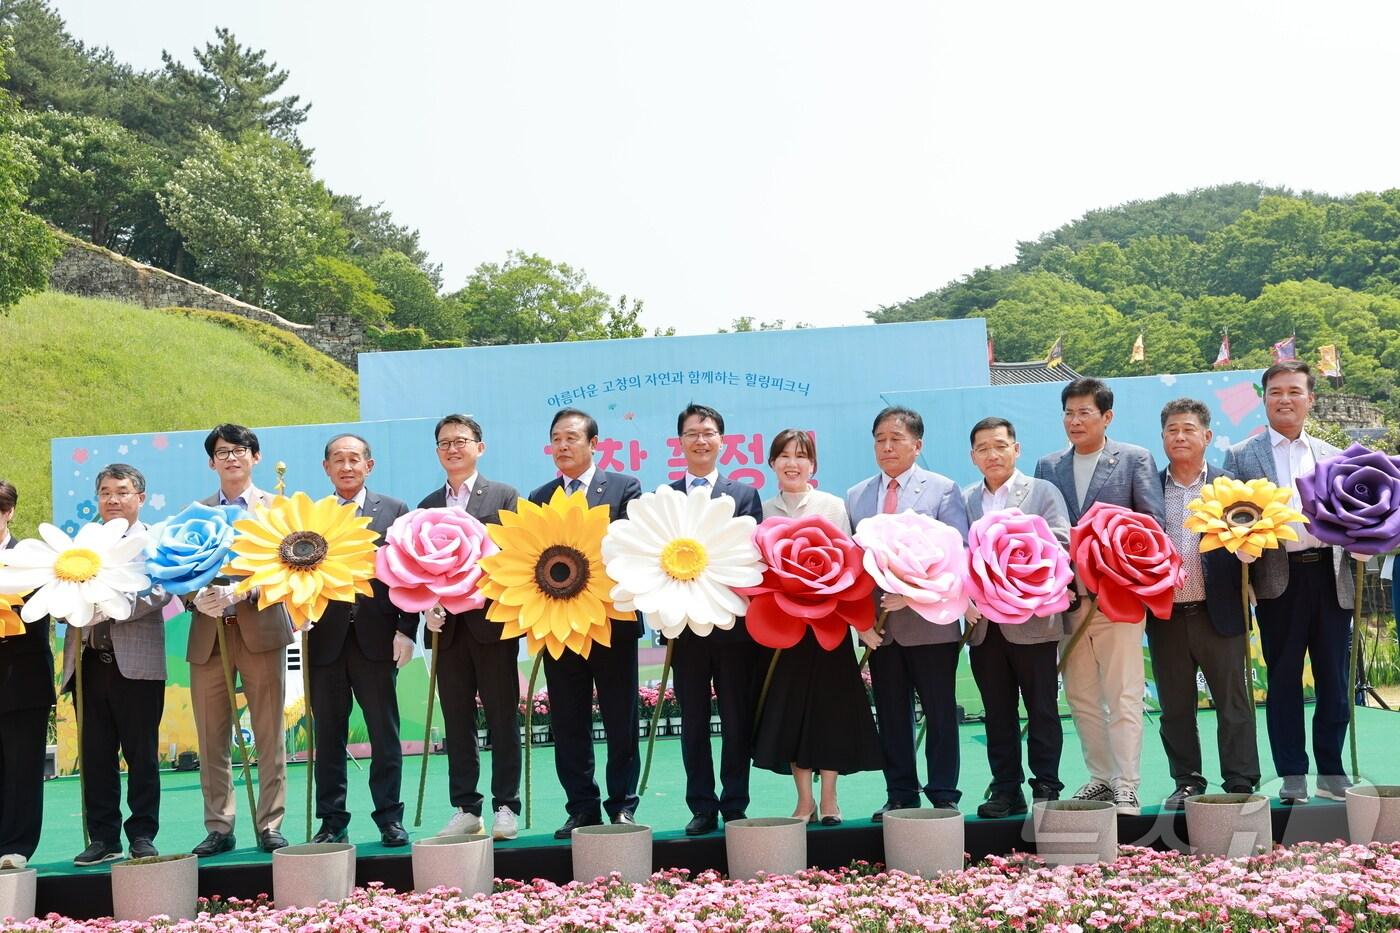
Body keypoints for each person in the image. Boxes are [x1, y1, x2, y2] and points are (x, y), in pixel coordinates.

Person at [1223, 361, 1357, 804]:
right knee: (1282, 679)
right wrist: (1241, 555)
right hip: (1277, 579)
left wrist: (1362, 548)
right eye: (1276, 391)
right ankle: (1292, 774)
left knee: (1334, 679)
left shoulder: (1334, 454)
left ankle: (1332, 771)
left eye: (1295, 391)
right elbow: (1228, 519)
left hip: (1331, 576)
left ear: (1310, 399)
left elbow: (1354, 516)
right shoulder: (1242, 456)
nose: (1285, 399)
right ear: (1264, 399)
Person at [1034, 377, 1163, 815]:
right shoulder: (1048, 466)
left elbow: (1153, 525)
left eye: (1084, 413)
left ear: (1107, 417)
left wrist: (1119, 574)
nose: (1075, 421)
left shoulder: (1133, 459)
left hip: (1118, 601)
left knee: (1124, 695)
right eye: (1069, 413)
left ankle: (1127, 784)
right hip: (1068, 604)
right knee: (1081, 697)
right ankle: (1101, 778)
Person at [753, 429, 882, 824]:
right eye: (784, 456)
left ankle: (829, 798)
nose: (792, 463)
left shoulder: (832, 506)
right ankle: (803, 800)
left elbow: (850, 569)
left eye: (801, 456)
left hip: (828, 624)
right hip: (783, 627)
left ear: (813, 465)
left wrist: (861, 623)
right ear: (772, 463)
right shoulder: (762, 510)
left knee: (830, 712)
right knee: (792, 712)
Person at [847, 405, 970, 819]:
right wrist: (862, 623)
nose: (887, 447)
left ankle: (944, 792)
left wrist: (914, 595)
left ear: (917, 445)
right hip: (881, 629)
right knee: (892, 715)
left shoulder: (942, 490)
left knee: (939, 712)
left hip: (931, 624)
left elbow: (957, 555)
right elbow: (852, 568)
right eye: (880, 439)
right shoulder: (857, 495)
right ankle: (900, 792)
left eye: (896, 439)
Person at [528, 408, 643, 838]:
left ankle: (622, 805)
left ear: (594, 444)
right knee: (568, 720)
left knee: (620, 718)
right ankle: (581, 807)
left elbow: (632, 548)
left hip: (612, 621)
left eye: (572, 438)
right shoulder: (540, 496)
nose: (563, 446)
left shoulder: (624, 487)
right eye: (556, 438)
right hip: (559, 625)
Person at [187, 424, 294, 855]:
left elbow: (291, 567)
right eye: (223, 452)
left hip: (261, 629)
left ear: (256, 456)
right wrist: (195, 597)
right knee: (211, 737)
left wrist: (244, 591)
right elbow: (177, 568)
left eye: (240, 450)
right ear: (211, 462)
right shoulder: (196, 512)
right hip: (209, 635)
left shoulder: (279, 509)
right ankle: (219, 825)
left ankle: (270, 824)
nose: (232, 458)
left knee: (269, 732)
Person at [1148, 399, 1258, 809]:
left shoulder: (1232, 487)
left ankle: (1240, 780)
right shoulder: (1148, 488)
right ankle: (1187, 781)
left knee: (1233, 703)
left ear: (1207, 436)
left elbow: (1258, 539)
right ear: (1162, 437)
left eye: (1188, 429)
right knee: (1175, 707)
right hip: (1167, 616)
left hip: (1221, 612)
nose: (1180, 437)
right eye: (1172, 430)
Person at [308, 434, 416, 847]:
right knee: (328, 737)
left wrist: (406, 629)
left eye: (354, 459)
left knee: (384, 734)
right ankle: (332, 821)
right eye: (338, 459)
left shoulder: (394, 510)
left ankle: (390, 818)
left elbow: (409, 574)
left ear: (369, 465)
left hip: (377, 638)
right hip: (325, 640)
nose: (347, 466)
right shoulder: (313, 515)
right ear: (326, 468)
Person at [418, 414, 522, 841]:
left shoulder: (504, 496)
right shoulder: (427, 505)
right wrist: (427, 605)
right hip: (448, 630)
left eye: (461, 441)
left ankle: (506, 806)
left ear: (480, 447)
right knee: (457, 721)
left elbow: (514, 557)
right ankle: (466, 808)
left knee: (502, 718)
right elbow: (418, 568)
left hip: (491, 623)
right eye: (445, 443)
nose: (453, 449)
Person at [62, 464, 172, 864]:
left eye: (122, 492)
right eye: (105, 492)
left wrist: (111, 608)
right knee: (95, 756)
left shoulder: (155, 541)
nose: (113, 499)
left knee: (141, 755)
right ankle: (103, 838)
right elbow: (62, 588)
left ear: (140, 498)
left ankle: (142, 834)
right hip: (89, 663)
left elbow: (161, 590)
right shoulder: (83, 543)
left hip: (137, 664)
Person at [962, 418, 1069, 818]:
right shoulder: (966, 499)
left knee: (1042, 709)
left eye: (1000, 445)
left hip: (1033, 621)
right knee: (997, 712)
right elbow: (958, 554)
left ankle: (1047, 786)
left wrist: (1017, 577)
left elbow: (1060, 544)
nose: (992, 454)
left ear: (1016, 449)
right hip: (984, 627)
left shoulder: (1042, 491)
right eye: (983, 448)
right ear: (973, 457)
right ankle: (1005, 789)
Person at [667, 404, 766, 836]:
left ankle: (735, 803)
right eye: (692, 433)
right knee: (692, 721)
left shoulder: (743, 495)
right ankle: (702, 806)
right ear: (680, 442)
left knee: (736, 718)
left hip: (732, 626)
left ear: (722, 441)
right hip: (686, 629)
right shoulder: (665, 498)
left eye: (708, 432)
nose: (700, 440)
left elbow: (752, 557)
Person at [0, 480, 54, 871]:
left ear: (9, 512)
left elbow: (38, 617)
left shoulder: (30, 560)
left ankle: (15, 846)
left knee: (22, 766)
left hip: (22, 676)